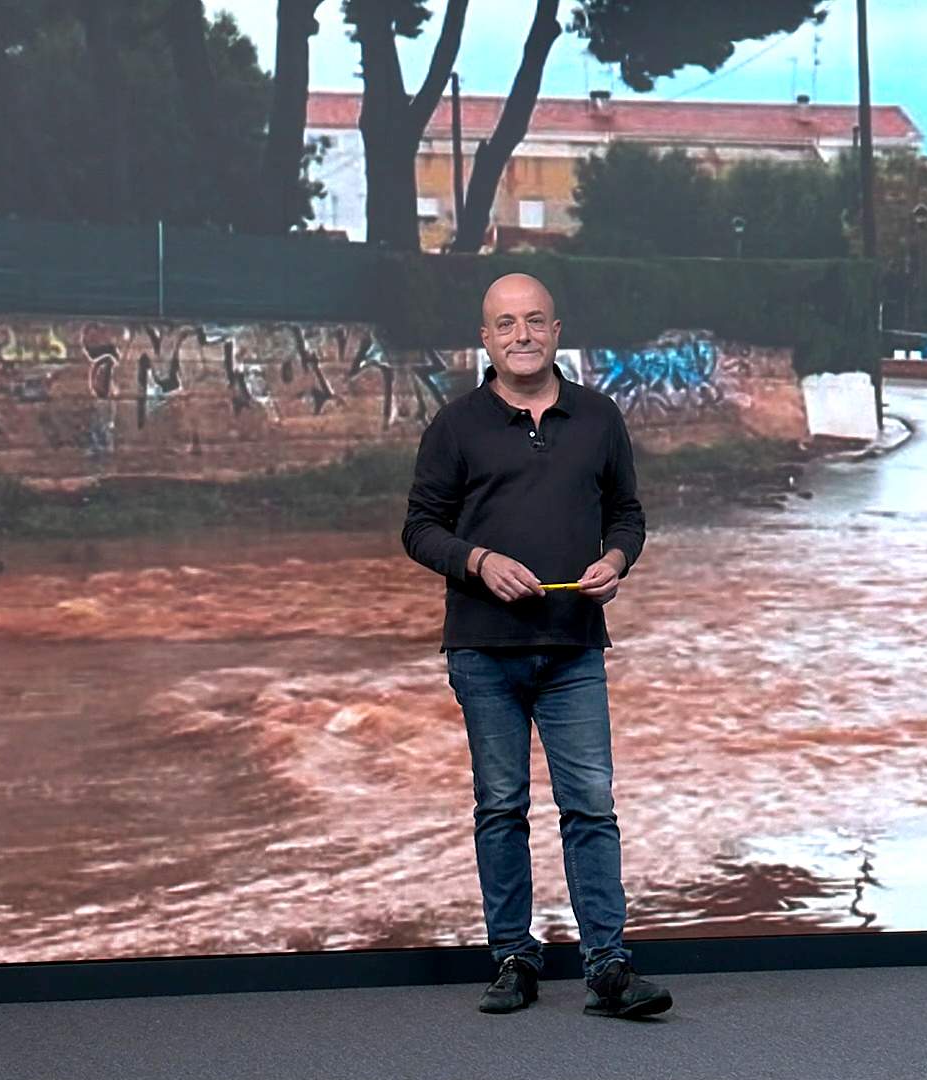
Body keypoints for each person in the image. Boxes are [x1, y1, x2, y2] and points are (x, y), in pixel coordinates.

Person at [401, 273, 673, 1020]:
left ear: (556, 331)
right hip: (483, 653)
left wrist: (616, 562)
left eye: (535, 322)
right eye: (505, 324)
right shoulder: (455, 426)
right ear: (485, 339)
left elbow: (628, 516)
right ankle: (513, 960)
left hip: (575, 647)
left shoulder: (599, 418)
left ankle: (608, 970)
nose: (522, 335)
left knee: (590, 805)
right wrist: (480, 562)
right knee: (501, 806)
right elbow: (419, 528)